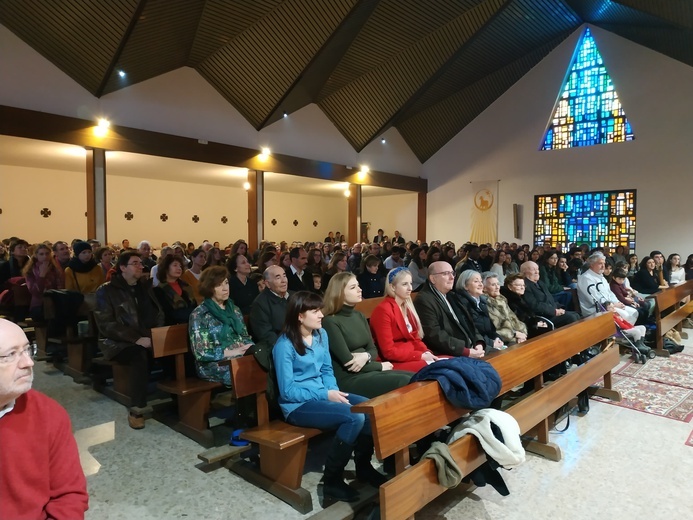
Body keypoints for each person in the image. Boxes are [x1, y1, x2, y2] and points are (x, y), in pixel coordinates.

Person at [273, 291, 386, 502]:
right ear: (299, 315)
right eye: (314, 311)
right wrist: (325, 394)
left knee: (367, 407)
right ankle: (332, 481)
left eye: (320, 310)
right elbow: (287, 390)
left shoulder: (320, 335)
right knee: (353, 417)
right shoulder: (285, 345)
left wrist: (334, 392)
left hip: (322, 395)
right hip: (298, 405)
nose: (321, 315)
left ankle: (363, 466)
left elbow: (326, 370)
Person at [0, 319, 89, 519]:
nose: (28, 363)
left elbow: (69, 495)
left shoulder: (48, 413)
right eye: (11, 355)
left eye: (27, 349)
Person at [94, 251, 165, 429]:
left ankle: (178, 400)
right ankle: (137, 408)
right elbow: (106, 325)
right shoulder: (106, 290)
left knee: (176, 348)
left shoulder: (145, 288)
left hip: (146, 337)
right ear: (123, 267)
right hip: (117, 343)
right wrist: (136, 339)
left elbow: (158, 313)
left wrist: (156, 334)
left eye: (141, 263)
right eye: (135, 263)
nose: (141, 266)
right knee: (140, 355)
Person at [322, 272, 412, 398]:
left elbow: (372, 349)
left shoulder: (359, 315)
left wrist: (366, 355)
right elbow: (349, 363)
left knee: (414, 377)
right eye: (353, 287)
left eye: (358, 285)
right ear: (340, 293)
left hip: (368, 369)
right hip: (349, 378)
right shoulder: (330, 321)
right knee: (404, 381)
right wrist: (380, 366)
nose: (360, 289)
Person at [188, 266, 254, 387]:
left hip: (239, 356)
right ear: (209, 288)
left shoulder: (235, 310)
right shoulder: (200, 314)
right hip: (212, 364)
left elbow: (245, 336)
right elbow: (201, 353)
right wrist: (231, 352)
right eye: (219, 285)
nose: (225, 289)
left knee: (266, 365)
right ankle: (247, 405)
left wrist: (250, 347)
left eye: (226, 283)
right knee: (243, 372)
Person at [369, 267, 438, 372]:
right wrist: (419, 356)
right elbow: (388, 351)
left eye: (411, 283)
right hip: (394, 362)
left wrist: (426, 352)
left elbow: (415, 338)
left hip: (410, 357)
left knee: (448, 362)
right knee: (438, 369)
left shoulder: (407, 307)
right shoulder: (383, 310)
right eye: (405, 284)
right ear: (392, 287)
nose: (410, 288)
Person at [413, 261, 486, 358]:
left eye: (452, 273)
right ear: (433, 278)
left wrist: (479, 342)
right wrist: (465, 351)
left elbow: (469, 323)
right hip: (452, 353)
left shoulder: (452, 295)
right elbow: (434, 335)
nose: (452, 277)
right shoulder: (424, 300)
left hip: (471, 347)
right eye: (446, 274)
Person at [577, 253, 638, 324]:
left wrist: (616, 302)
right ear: (592, 264)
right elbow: (594, 299)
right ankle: (620, 333)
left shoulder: (601, 277)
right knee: (626, 315)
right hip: (595, 309)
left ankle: (625, 332)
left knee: (634, 312)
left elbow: (610, 292)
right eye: (600, 263)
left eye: (604, 263)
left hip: (609, 305)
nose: (603, 266)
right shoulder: (586, 278)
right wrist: (612, 304)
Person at [454, 270, 505, 350]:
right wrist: (491, 343)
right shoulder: (462, 304)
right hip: (477, 345)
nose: (481, 284)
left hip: (489, 342)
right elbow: (471, 331)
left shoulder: (482, 302)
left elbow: (491, 329)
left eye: (481, 281)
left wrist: (497, 338)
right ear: (465, 286)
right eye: (476, 281)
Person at [521, 261, 579, 329]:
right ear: (524, 272)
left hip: (552, 312)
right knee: (571, 317)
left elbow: (550, 299)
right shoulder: (525, 286)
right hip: (542, 317)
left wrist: (560, 308)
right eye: (533, 269)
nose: (537, 272)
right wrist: (554, 311)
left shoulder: (540, 283)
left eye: (537, 269)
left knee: (576, 314)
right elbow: (534, 305)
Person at [248, 265, 292, 347]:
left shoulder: (294, 296)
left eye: (284, 276)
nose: (284, 281)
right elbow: (265, 335)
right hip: (280, 347)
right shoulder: (260, 304)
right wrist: (287, 346)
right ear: (267, 284)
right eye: (278, 278)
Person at [483, 272, 528, 345]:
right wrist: (514, 334)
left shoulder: (502, 299)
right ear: (484, 288)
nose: (497, 287)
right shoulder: (485, 303)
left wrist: (522, 334)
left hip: (515, 337)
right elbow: (494, 331)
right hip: (502, 341)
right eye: (493, 285)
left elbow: (514, 319)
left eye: (498, 284)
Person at [22, 243, 65, 320]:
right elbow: (35, 292)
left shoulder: (55, 269)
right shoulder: (30, 271)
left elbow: (60, 287)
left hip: (55, 302)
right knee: (50, 315)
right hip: (39, 304)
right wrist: (42, 276)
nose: (45, 256)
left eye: (47, 254)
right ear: (36, 255)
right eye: (41, 254)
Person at [153, 255, 197, 325]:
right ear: (166, 268)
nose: (179, 268)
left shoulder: (186, 286)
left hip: (191, 324)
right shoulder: (158, 290)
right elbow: (168, 312)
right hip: (170, 327)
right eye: (175, 265)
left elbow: (195, 306)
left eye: (180, 266)